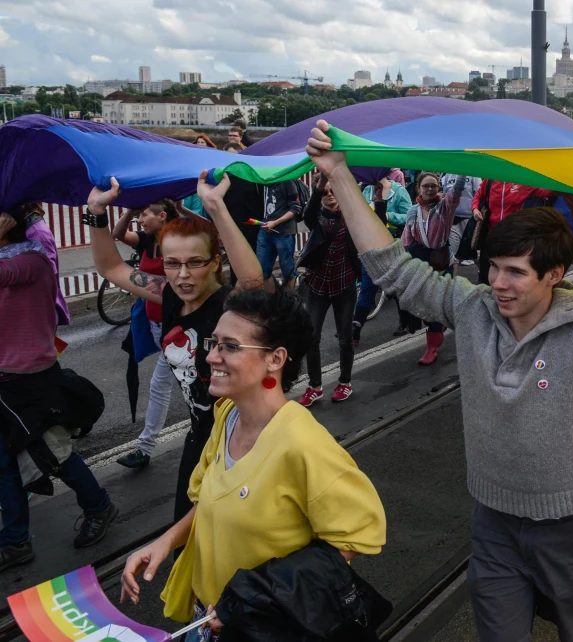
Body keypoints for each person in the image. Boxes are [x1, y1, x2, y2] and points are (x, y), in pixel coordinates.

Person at [305, 120, 573, 642]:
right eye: (493, 268)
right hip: (495, 520)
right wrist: (337, 174)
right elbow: (393, 269)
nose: (497, 283)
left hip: (572, 521)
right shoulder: (472, 310)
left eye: (514, 272)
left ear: (554, 275)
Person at [119, 289, 386, 639]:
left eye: (230, 346)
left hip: (264, 627)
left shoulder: (302, 444)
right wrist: (165, 542)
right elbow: (210, 502)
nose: (212, 356)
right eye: (214, 343)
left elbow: (355, 536)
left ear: (275, 359)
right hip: (208, 618)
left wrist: (258, 598)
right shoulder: (227, 415)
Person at [89, 173, 266, 522]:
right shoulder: (170, 295)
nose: (182, 275)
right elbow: (111, 266)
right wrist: (96, 212)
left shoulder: (229, 304)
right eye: (172, 263)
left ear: (215, 262)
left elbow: (251, 281)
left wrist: (215, 206)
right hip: (200, 436)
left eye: (194, 263)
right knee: (188, 538)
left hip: (245, 439)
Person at [0, 212, 117, 568]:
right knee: (6, 463)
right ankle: (17, 540)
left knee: (54, 455)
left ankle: (99, 505)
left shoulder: (32, 260)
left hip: (31, 380)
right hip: (5, 379)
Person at [111, 201, 181, 469]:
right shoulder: (146, 240)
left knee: (160, 385)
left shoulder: (176, 240)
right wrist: (129, 210)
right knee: (188, 382)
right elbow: (118, 234)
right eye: (139, 215)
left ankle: (145, 448)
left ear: (162, 216)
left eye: (144, 215)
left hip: (175, 325)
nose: (141, 220)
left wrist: (182, 209)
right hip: (153, 322)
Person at [295, 176, 360, 406]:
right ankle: (315, 386)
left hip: (344, 284)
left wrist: (380, 198)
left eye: (333, 190)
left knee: (345, 338)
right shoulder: (316, 218)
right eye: (325, 192)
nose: (330, 194)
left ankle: (345, 382)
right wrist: (320, 183)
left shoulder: (350, 215)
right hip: (318, 286)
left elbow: (376, 220)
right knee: (311, 339)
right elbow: (308, 214)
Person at [396, 172, 466, 366]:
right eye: (426, 186)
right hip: (420, 261)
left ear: (439, 188)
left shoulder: (445, 206)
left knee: (435, 304)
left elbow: (457, 191)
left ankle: (431, 348)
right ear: (418, 187)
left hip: (441, 262)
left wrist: (463, 169)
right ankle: (438, 325)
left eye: (433, 186)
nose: (429, 189)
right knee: (422, 303)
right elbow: (406, 239)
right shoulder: (413, 211)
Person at [356, 170, 413, 343]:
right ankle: (354, 329)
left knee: (394, 287)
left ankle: (405, 321)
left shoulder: (399, 191)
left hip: (392, 246)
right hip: (370, 247)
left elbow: (409, 216)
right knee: (367, 286)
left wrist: (389, 216)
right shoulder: (366, 191)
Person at [472, 180, 554, 284]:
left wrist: (565, 181)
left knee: (508, 269)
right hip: (491, 234)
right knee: (486, 269)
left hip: (511, 235)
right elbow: (478, 196)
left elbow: (546, 192)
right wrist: (475, 209)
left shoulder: (522, 181)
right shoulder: (491, 180)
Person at [255, 180, 303, 290]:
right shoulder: (263, 181)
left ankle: (290, 301)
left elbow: (296, 208)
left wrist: (275, 222)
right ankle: (270, 301)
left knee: (288, 271)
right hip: (265, 231)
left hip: (284, 233)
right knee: (262, 271)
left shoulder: (287, 181)